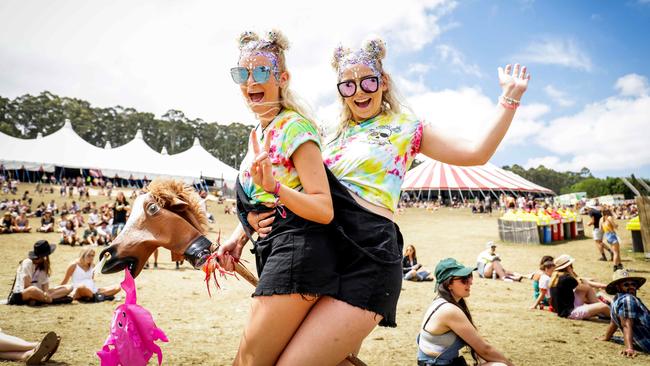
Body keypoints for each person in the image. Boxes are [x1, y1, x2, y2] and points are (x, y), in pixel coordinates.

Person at [238, 37, 529, 363]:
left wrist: (509, 99)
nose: (359, 92)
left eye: (368, 82)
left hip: (369, 256)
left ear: (384, 82)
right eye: (348, 86)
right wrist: (246, 224)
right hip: (321, 250)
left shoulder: (406, 127)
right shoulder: (325, 131)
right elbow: (286, 181)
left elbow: (477, 152)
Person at [217, 30, 337, 365]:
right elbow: (262, 204)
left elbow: (324, 208)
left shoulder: (295, 128)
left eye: (260, 72)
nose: (249, 81)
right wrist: (239, 236)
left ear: (282, 78)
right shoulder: (258, 133)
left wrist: (276, 189)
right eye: (242, 73)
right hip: (272, 252)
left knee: (249, 361)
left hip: (300, 254)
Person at [417, 258, 513, 365]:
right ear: (449, 284)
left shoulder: (442, 302)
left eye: (470, 276)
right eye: (464, 279)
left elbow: (478, 344)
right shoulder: (449, 310)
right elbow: (485, 349)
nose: (470, 282)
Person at [599, 270, 650, 356]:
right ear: (618, 287)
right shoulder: (628, 300)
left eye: (633, 284)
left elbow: (614, 322)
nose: (631, 287)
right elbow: (626, 324)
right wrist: (629, 348)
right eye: (626, 285)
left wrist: (607, 337)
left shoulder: (616, 300)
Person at [7, 240, 73, 305]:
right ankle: (51, 300)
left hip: (39, 292)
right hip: (22, 294)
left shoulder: (43, 265)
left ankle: (39, 300)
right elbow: (27, 286)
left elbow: (45, 287)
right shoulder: (28, 262)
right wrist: (43, 294)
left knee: (69, 287)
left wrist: (46, 294)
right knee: (33, 290)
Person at [549, 254, 610, 320]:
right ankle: (614, 317)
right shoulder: (567, 278)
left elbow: (585, 288)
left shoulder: (555, 277)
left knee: (586, 289)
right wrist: (572, 273)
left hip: (562, 310)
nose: (572, 268)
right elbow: (584, 284)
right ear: (568, 267)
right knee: (603, 306)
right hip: (570, 313)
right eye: (571, 266)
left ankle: (600, 311)